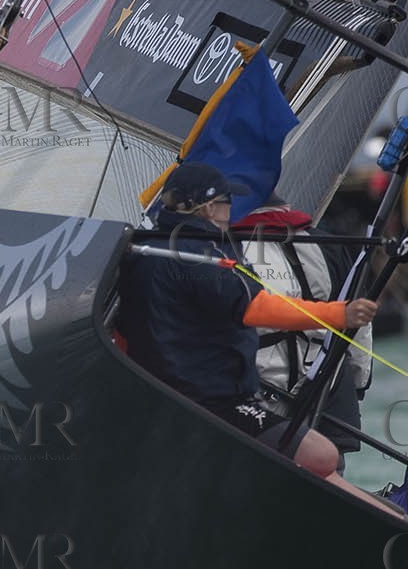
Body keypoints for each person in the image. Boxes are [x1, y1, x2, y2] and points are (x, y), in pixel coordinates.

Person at [117, 163, 376, 483]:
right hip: (236, 401)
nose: (230, 210)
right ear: (209, 207)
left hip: (174, 397)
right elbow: (258, 308)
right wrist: (342, 322)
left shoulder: (144, 249)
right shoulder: (207, 254)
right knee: (323, 460)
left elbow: (126, 326)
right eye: (226, 202)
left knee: (311, 464)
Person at [234, 197, 371, 472]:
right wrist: (358, 382)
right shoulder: (326, 243)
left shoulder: (228, 249)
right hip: (326, 394)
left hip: (258, 399)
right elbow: (360, 323)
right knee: (330, 479)